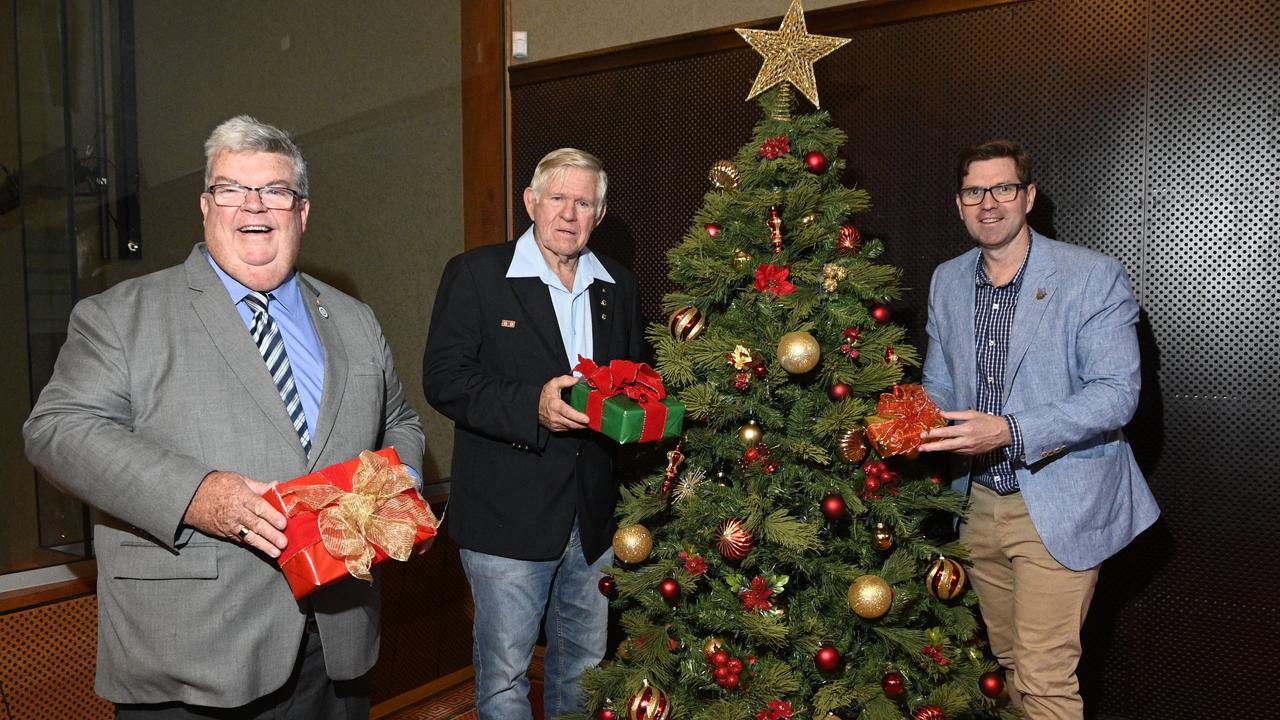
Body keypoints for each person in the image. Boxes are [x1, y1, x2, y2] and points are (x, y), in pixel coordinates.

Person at [23, 115, 425, 719]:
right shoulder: (121, 316)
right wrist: (195, 494)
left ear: (302, 212)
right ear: (206, 206)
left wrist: (400, 488)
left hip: (337, 643)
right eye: (232, 188)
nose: (254, 205)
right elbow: (56, 429)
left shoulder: (353, 318)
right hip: (195, 654)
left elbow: (401, 421)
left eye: (276, 191)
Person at [917, 139, 1159, 720]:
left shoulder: (1091, 276)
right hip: (974, 505)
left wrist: (1009, 430)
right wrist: (910, 417)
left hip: (1059, 502)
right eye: (975, 191)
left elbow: (1117, 395)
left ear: (1028, 197)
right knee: (1010, 666)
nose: (988, 203)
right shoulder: (947, 280)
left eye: (1003, 188)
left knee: (1045, 677)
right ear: (959, 203)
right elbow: (941, 383)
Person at [423, 148, 645, 719]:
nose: (569, 214)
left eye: (584, 203)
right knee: (504, 677)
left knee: (585, 667)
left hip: (593, 519)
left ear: (599, 214)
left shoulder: (616, 283)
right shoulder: (474, 273)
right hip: (504, 517)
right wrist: (532, 405)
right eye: (558, 198)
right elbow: (444, 380)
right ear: (531, 202)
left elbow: (634, 372)